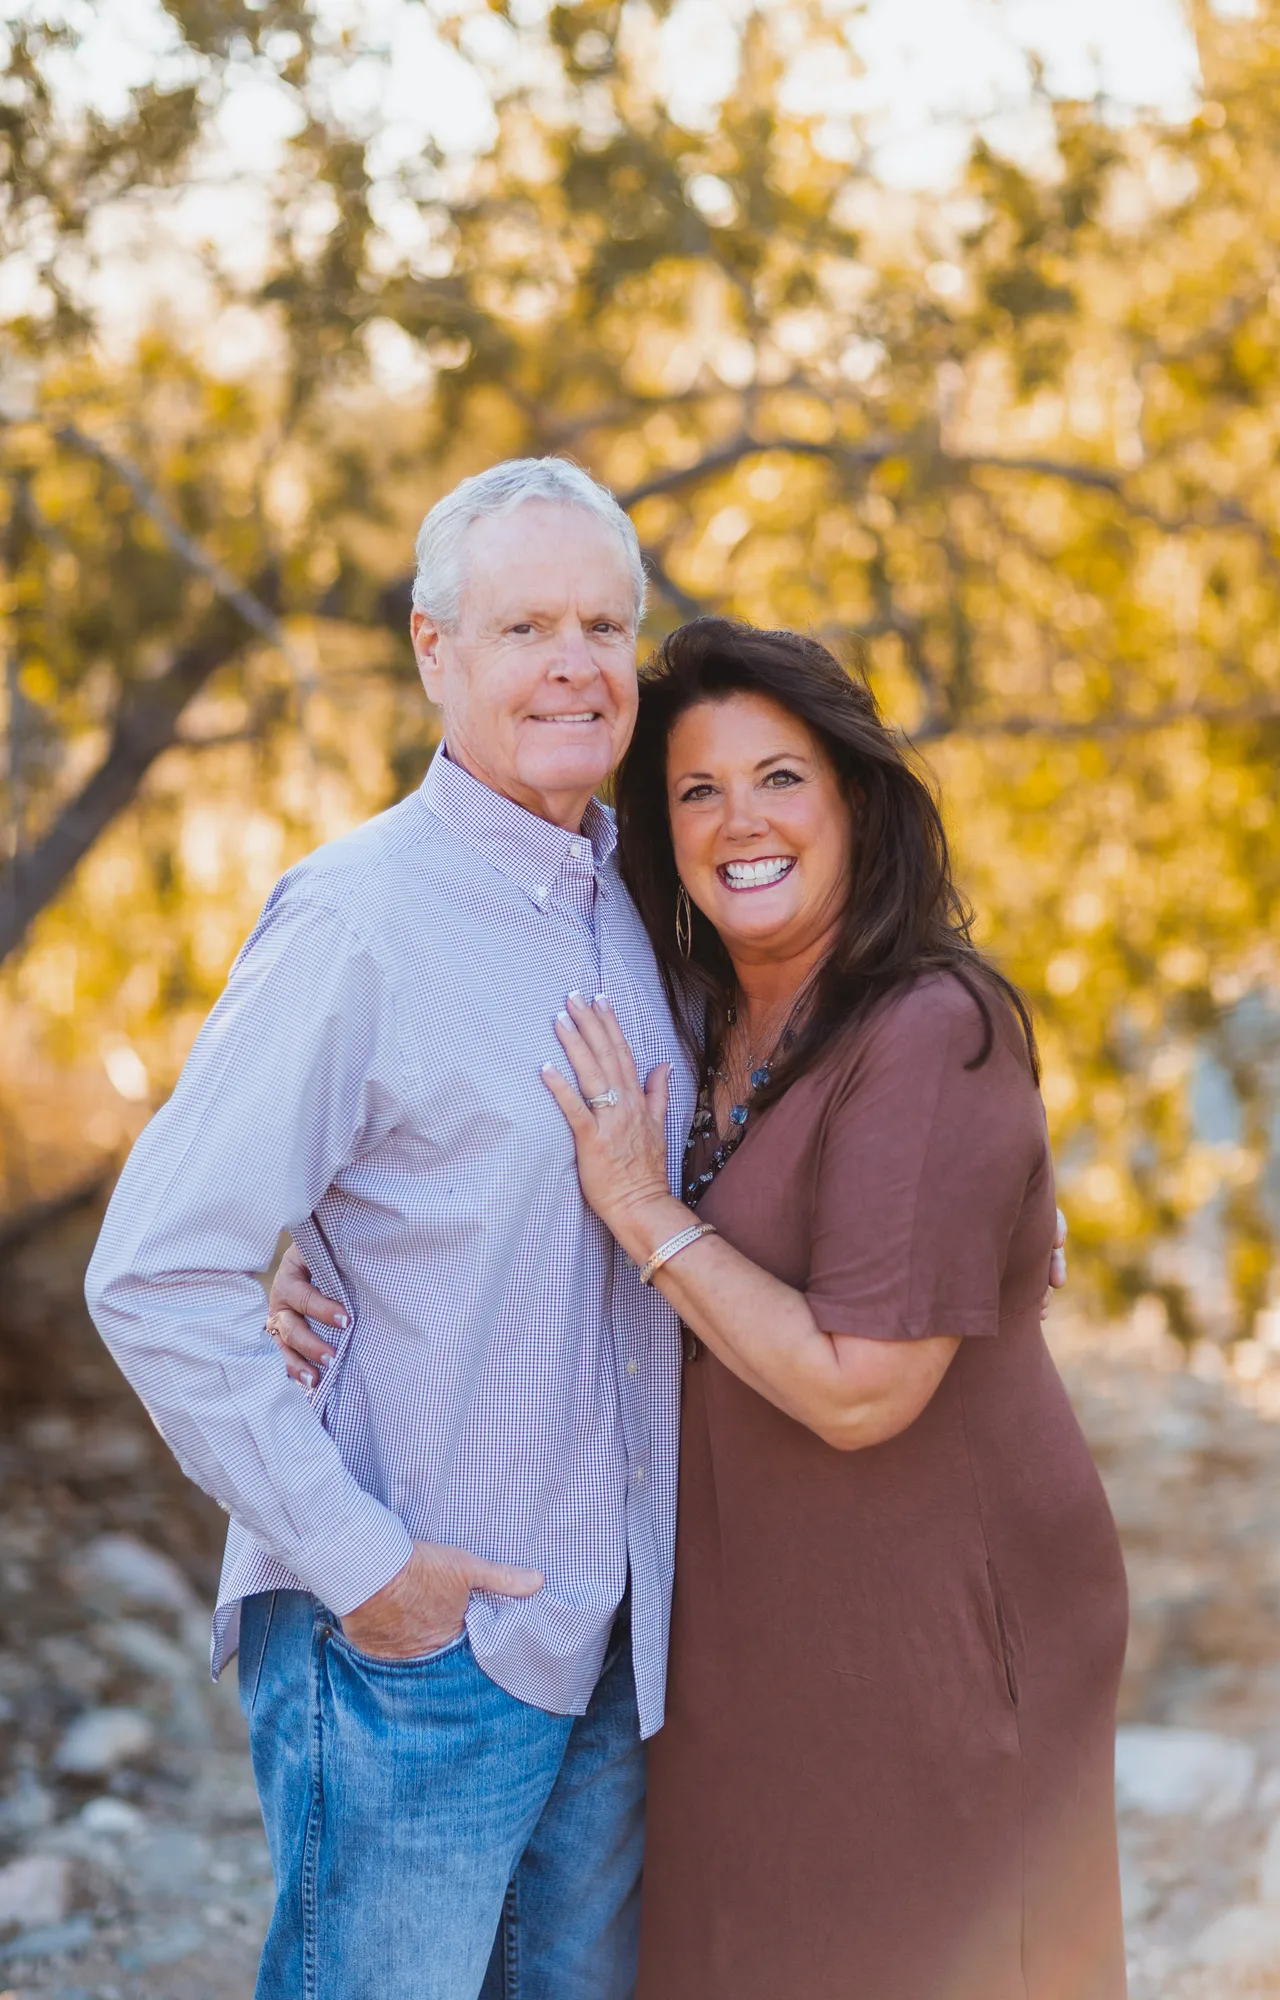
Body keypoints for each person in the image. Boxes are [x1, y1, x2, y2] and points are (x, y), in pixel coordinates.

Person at [84, 458, 699, 2000]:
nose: (575, 663)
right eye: (527, 628)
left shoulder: (634, 900)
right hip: (414, 1654)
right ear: (436, 651)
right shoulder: (358, 917)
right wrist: (367, 1569)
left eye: (606, 627)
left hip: (615, 1653)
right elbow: (157, 1269)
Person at [537, 618, 1130, 1999]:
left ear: (854, 800)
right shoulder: (693, 1018)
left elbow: (862, 1385)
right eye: (698, 790)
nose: (740, 819)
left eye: (780, 777)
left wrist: (645, 1212)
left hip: (931, 1632)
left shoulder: (931, 1029)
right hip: (754, 1635)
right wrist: (317, 1274)